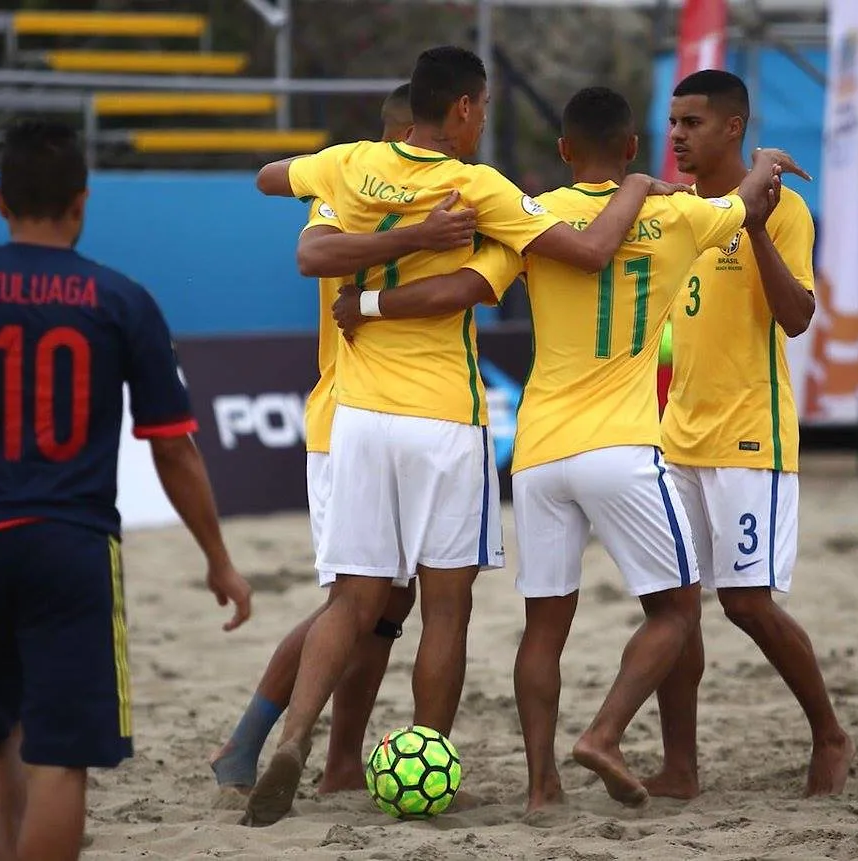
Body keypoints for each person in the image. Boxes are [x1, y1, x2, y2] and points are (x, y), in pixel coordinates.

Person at [243, 45, 686, 827]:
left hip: (359, 418)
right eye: (480, 108)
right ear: (463, 109)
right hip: (444, 416)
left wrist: (333, 190)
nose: (482, 121)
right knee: (446, 609)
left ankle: (297, 737)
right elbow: (586, 249)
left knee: (351, 598)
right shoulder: (479, 189)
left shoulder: (348, 163)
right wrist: (641, 186)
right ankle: (426, 762)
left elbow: (270, 179)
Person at [331, 87, 798, 810]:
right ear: (634, 149)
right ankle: (605, 732)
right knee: (676, 612)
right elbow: (748, 199)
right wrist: (766, 158)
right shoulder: (674, 211)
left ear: (562, 151)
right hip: (623, 445)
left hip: (542, 451)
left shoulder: (534, 215)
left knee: (543, 626)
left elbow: (459, 289)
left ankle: (541, 786)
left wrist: (366, 304)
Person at [0, 119, 252, 861]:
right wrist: (217, 556)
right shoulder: (122, 299)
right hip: (72, 546)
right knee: (59, 755)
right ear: (82, 202)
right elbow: (173, 448)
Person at [211, 84, 478, 798]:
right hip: (360, 410)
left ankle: (335, 763)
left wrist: (320, 164)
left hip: (348, 414)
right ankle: (250, 740)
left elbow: (269, 175)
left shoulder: (338, 178)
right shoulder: (436, 192)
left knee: (381, 606)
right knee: (356, 602)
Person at [647, 69, 855, 800]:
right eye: (673, 121)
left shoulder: (786, 209)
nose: (677, 134)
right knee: (673, 607)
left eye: (692, 122)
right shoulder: (671, 211)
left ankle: (829, 731)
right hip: (675, 436)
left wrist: (756, 225)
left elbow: (798, 317)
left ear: (733, 128)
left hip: (749, 435)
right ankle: (680, 766)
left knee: (746, 602)